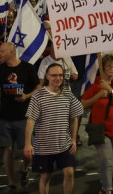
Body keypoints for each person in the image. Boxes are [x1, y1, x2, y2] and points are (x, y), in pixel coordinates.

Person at [0, 41, 39, 190]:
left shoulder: (28, 68)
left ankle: (24, 169)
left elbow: (38, 87)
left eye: (2, 51)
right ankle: (11, 181)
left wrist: (27, 96)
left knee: (27, 153)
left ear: (12, 52)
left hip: (24, 117)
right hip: (5, 116)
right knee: (7, 149)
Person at [24, 62, 83, 194]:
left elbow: (75, 116)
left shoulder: (67, 94)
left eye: (61, 75)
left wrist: (73, 139)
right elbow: (30, 121)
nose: (58, 78)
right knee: (45, 176)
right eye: (54, 75)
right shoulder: (38, 96)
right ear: (47, 76)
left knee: (69, 173)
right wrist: (28, 144)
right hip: (44, 147)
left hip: (64, 144)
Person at [81, 53, 113, 194]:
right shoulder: (96, 83)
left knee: (109, 161)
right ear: (103, 67)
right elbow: (83, 104)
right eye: (108, 66)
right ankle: (108, 190)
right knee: (107, 161)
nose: (111, 69)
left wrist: (110, 90)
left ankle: (104, 187)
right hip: (100, 130)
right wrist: (98, 95)